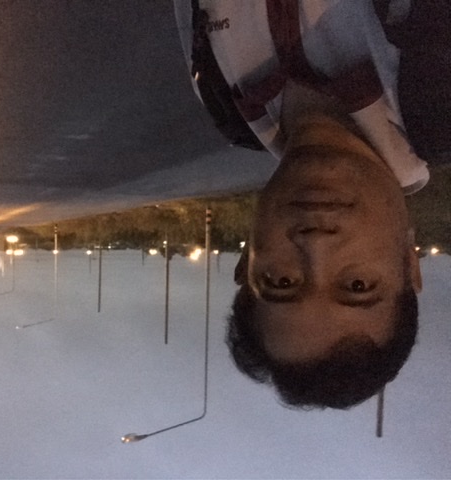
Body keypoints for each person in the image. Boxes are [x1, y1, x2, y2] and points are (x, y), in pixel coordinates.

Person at [174, 0, 431, 408]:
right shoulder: (438, 84)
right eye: (357, 286)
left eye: (281, 282)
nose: (315, 244)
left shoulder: (223, 99)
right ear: (409, 264)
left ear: (247, 260)